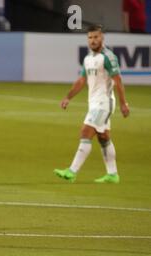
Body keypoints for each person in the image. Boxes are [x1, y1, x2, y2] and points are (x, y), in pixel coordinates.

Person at [54, 25, 130, 184]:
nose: (93, 40)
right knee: (103, 137)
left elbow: (118, 80)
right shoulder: (88, 58)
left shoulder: (108, 57)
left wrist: (124, 103)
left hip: (104, 102)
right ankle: (112, 174)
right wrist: (68, 97)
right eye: (90, 37)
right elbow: (82, 80)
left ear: (102, 38)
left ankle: (72, 171)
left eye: (96, 37)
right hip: (94, 102)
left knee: (86, 131)